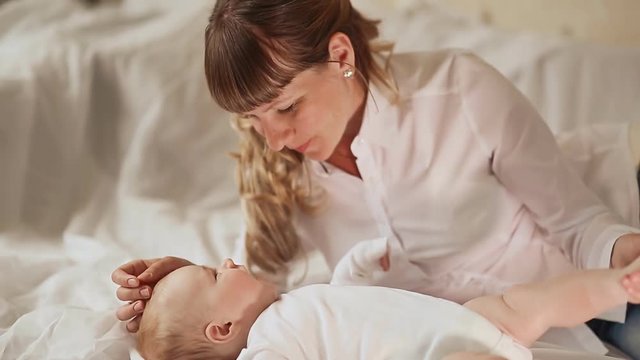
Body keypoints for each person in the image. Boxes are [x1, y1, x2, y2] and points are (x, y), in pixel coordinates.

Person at [112, 0, 640, 356]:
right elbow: (262, 308)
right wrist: (183, 282)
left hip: (582, 282)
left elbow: (578, 222)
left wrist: (627, 254)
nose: (271, 139)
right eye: (253, 119)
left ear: (340, 55)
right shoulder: (277, 175)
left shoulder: (460, 91)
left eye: (287, 107)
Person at [134, 249, 640, 360]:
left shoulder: (291, 303)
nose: (225, 260)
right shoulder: (266, 345)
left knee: (528, 302)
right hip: (437, 353)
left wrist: (354, 268)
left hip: (465, 322)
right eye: (213, 274)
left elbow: (345, 308)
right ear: (222, 329)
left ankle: (620, 285)